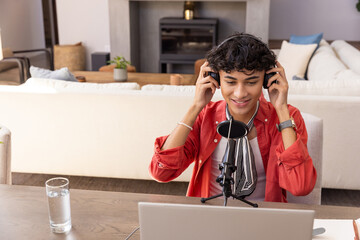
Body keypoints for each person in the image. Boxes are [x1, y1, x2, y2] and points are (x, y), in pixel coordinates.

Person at [149, 33, 317, 202]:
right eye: (230, 82)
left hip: (263, 219)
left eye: (251, 82)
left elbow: (300, 186)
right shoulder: (205, 115)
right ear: (215, 78)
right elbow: (161, 172)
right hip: (210, 216)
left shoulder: (287, 117)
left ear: (267, 80)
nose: (240, 93)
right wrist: (196, 106)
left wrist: (281, 110)